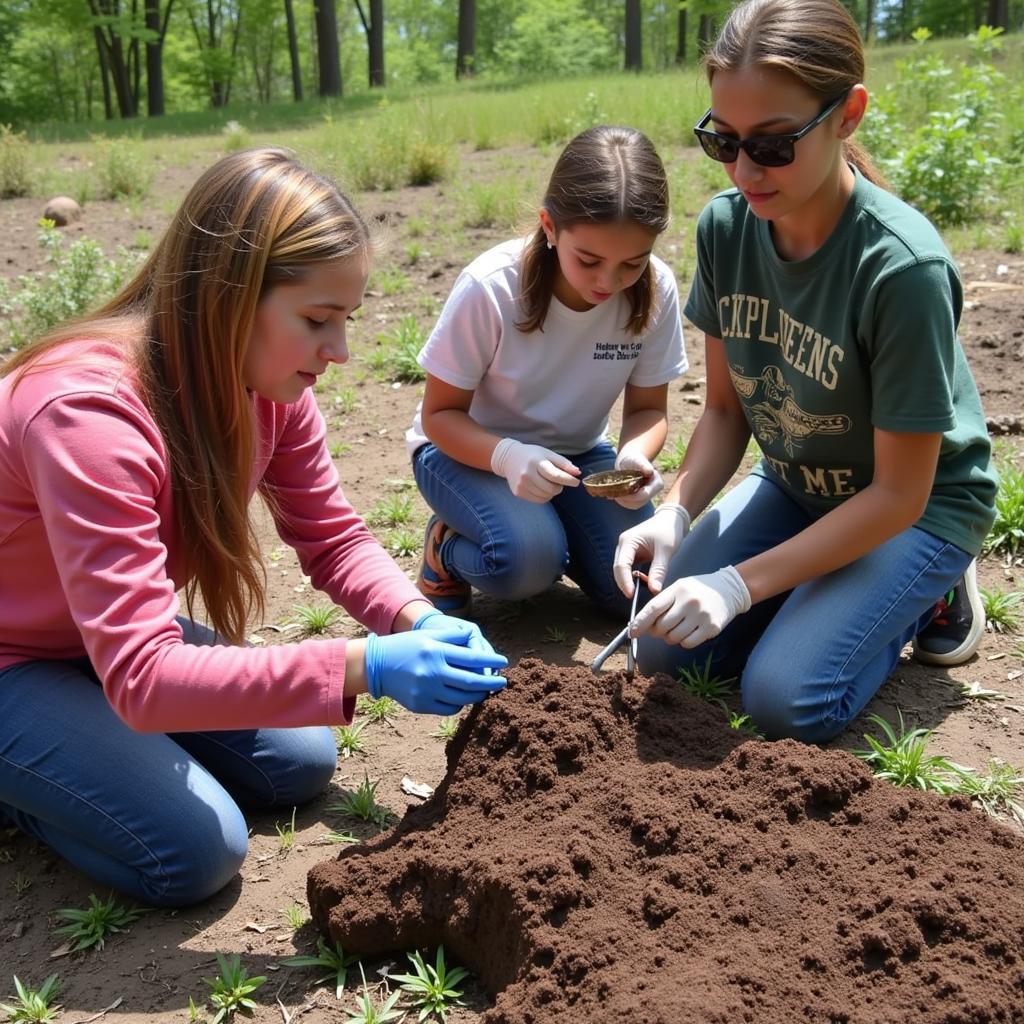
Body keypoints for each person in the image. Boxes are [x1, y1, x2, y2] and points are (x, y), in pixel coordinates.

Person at [0, 148, 507, 908]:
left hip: (89, 639)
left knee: (297, 761)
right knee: (196, 850)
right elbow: (142, 677)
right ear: (231, 297)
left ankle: (79, 744)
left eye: (347, 321)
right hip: (15, 659)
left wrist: (417, 620)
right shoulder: (86, 414)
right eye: (316, 320)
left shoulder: (265, 381)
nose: (338, 352)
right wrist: (367, 664)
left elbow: (331, 536)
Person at [613, 0, 997, 743]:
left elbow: (896, 494)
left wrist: (737, 584)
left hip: (912, 509)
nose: (744, 169)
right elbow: (725, 413)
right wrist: (676, 513)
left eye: (774, 144)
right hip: (796, 484)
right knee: (661, 650)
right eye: (722, 140)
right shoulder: (727, 228)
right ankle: (824, 596)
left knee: (786, 702)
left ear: (848, 114)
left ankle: (934, 588)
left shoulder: (902, 269)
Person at [406, 125, 687, 619]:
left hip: (577, 457)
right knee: (527, 562)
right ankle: (446, 548)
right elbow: (440, 416)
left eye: (632, 263)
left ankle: (550, 528)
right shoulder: (492, 287)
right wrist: (509, 456)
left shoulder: (656, 289)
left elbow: (648, 409)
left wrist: (634, 456)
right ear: (551, 227)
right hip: (466, 453)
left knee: (637, 583)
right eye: (589, 260)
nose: (609, 281)